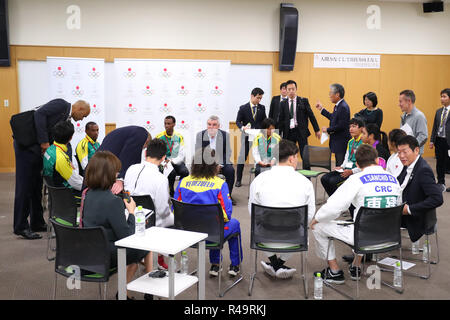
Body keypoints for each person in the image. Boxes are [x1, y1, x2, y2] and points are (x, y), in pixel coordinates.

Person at [310, 144, 402, 284]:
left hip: (363, 238)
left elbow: (334, 207)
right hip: (390, 236)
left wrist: (317, 218)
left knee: (318, 226)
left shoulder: (356, 180)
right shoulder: (394, 179)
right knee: (363, 222)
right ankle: (356, 265)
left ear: (357, 164)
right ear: (377, 160)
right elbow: (398, 205)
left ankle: (334, 271)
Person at [13, 99, 90, 240]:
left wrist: (68, 160)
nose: (81, 120)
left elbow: (63, 141)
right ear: (79, 108)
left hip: (36, 148)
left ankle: (37, 222)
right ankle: (21, 226)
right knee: (24, 186)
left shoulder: (66, 121)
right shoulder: (61, 105)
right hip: (25, 145)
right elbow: (39, 115)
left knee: (37, 186)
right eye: (83, 116)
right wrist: (44, 142)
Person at [80, 151, 152, 300]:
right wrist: (132, 213)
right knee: (145, 248)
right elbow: (127, 237)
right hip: (105, 255)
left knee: (136, 251)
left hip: (87, 252)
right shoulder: (113, 201)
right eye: (116, 172)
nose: (117, 175)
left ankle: (126, 292)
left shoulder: (88, 194)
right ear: (108, 174)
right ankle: (143, 292)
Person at [248, 139, 315, 279]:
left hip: (264, 236)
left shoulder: (259, 180)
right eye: (297, 157)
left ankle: (274, 263)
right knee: (303, 229)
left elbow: (252, 213)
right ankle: (279, 264)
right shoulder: (305, 182)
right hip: (295, 238)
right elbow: (309, 215)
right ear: (291, 159)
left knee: (256, 225)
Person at [174, 147, 243, 277]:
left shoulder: (183, 182)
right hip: (212, 234)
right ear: (214, 165)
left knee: (213, 222)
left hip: (188, 234)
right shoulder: (220, 184)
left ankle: (216, 265)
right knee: (234, 224)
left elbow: (175, 210)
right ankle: (234, 264)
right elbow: (227, 215)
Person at [124, 138, 174, 271]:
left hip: (127, 216)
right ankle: (163, 255)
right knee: (173, 217)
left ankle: (148, 257)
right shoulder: (161, 179)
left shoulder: (130, 169)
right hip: (148, 222)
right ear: (163, 158)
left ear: (145, 153)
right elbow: (163, 210)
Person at [396, 136, 443, 243]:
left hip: (412, 217)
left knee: (371, 217)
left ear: (416, 150)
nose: (401, 156)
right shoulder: (409, 163)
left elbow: (437, 199)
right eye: (399, 152)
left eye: (404, 152)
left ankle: (366, 252)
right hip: (399, 208)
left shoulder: (423, 170)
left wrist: (409, 209)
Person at [98, 125, 151, 195]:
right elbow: (130, 157)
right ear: (146, 141)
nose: (141, 149)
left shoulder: (122, 135)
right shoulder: (141, 133)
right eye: (143, 147)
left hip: (96, 174)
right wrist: (120, 179)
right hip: (103, 177)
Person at [195, 115, 236, 205]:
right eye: (209, 124)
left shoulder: (225, 135)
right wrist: (208, 165)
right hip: (206, 163)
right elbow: (198, 153)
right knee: (197, 170)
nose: (211, 127)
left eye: (214, 125)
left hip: (220, 163)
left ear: (218, 126)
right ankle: (202, 195)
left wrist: (220, 164)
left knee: (230, 171)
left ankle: (227, 196)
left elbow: (228, 153)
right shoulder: (200, 135)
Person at [278, 80, 320, 164]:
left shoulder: (303, 101)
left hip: (301, 132)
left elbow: (311, 116)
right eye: (289, 89)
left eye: (293, 89)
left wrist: (317, 130)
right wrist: (278, 134)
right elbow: (281, 120)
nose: (291, 91)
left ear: (296, 89)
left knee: (305, 155)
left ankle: (307, 176)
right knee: (289, 155)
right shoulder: (283, 103)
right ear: (286, 90)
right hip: (288, 132)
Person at [321, 118, 364, 197]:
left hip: (356, 172)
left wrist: (352, 171)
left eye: (354, 126)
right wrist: (341, 167)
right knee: (324, 178)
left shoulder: (364, 142)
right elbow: (347, 157)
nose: (351, 129)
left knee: (332, 181)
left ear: (361, 129)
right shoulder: (350, 141)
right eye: (350, 127)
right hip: (346, 169)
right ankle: (335, 200)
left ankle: (341, 201)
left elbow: (365, 165)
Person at [43, 120, 83, 202]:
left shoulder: (50, 149)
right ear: (71, 138)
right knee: (95, 194)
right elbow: (76, 183)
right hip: (65, 193)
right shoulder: (61, 158)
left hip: (55, 190)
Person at [235, 87, 267, 188]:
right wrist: (242, 127)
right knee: (242, 158)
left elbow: (264, 121)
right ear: (252, 96)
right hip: (247, 136)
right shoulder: (243, 108)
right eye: (258, 98)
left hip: (258, 136)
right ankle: (238, 180)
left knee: (261, 157)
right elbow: (237, 122)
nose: (259, 100)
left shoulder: (262, 108)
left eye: (261, 98)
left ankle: (261, 179)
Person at [316, 83, 351, 167]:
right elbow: (333, 117)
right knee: (338, 164)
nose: (329, 95)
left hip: (341, 142)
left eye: (331, 93)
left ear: (337, 94)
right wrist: (321, 109)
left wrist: (328, 129)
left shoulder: (343, 107)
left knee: (341, 166)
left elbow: (342, 125)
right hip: (338, 141)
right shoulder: (338, 106)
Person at [155, 116, 189, 197]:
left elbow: (181, 153)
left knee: (185, 172)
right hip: (163, 161)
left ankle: (179, 189)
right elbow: (156, 152)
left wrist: (172, 160)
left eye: (169, 124)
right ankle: (171, 190)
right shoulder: (159, 137)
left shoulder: (179, 137)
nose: (166, 125)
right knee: (171, 173)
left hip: (175, 160)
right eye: (165, 123)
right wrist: (163, 161)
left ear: (174, 124)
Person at [429, 88, 450, 192]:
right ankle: (441, 182)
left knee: (449, 163)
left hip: (449, 142)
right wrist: (432, 140)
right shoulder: (438, 111)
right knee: (439, 162)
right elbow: (434, 127)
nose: (442, 98)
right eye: (441, 96)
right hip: (439, 140)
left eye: (444, 96)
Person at [399, 89, 428, 155]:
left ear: (409, 101)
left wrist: (410, 147)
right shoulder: (404, 116)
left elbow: (423, 136)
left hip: (414, 154)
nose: (399, 104)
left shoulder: (419, 116)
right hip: (405, 153)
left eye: (401, 102)